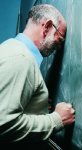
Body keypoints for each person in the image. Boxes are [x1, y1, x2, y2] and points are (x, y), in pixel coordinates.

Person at [0, 4, 75, 149]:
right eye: (59, 39)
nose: (59, 47)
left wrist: (33, 107)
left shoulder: (10, 48)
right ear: (46, 27)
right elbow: (3, 124)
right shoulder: (21, 59)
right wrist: (56, 120)